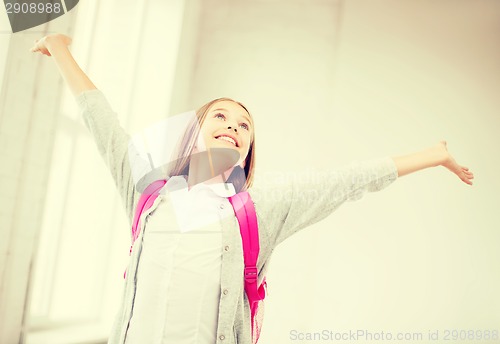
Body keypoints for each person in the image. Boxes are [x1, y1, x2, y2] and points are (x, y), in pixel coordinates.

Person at [30, 33, 474, 344]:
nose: (234, 127)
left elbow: (346, 180)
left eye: (245, 126)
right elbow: (102, 122)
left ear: (247, 151)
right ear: (194, 131)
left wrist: (433, 155)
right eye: (220, 116)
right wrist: (58, 48)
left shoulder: (260, 208)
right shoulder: (150, 194)